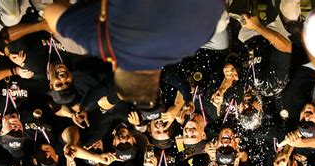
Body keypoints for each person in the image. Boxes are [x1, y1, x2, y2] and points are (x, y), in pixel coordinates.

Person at [43, 0, 225, 105]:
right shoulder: (104, 44)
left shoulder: (194, 39)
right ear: (115, 68)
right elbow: (51, 13)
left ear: (156, 75)